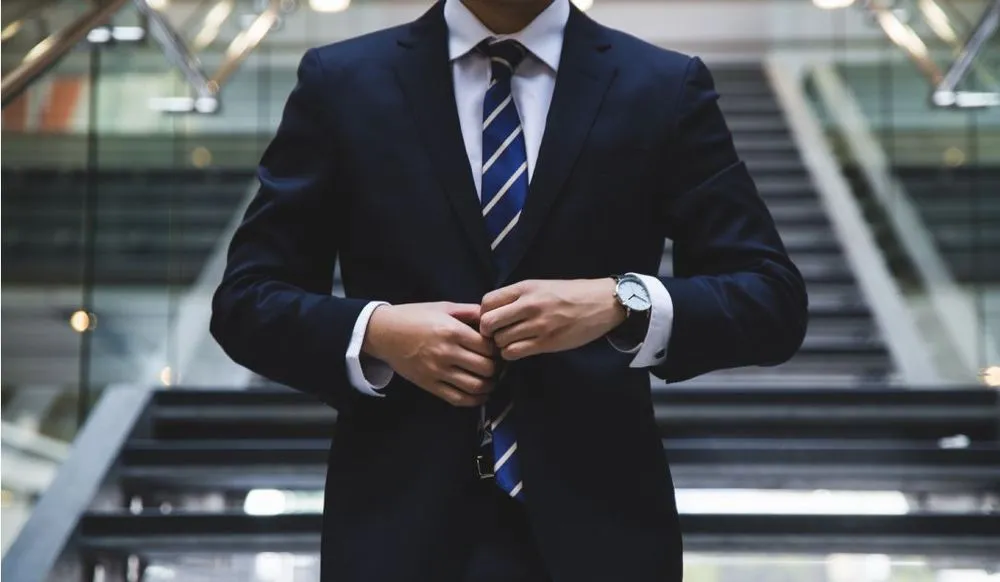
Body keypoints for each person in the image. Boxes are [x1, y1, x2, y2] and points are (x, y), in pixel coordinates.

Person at [210, 0, 808, 580]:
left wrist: (621, 301)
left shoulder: (662, 85)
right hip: (394, 528)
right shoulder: (341, 82)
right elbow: (246, 300)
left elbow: (770, 298)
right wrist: (378, 332)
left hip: (604, 531)